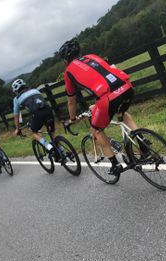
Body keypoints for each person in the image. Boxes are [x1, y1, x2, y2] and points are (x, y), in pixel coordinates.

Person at [59, 38, 143, 175]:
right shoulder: (91, 56)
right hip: (126, 86)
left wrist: (72, 118)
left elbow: (71, 101)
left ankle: (115, 165)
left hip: (107, 98)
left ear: (65, 60)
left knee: (96, 130)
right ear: (79, 52)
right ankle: (143, 143)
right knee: (123, 114)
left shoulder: (68, 72)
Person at [12, 79, 54, 151]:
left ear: (16, 90)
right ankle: (60, 150)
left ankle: (48, 146)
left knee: (33, 131)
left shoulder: (16, 99)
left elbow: (16, 116)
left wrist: (17, 129)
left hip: (37, 113)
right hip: (48, 109)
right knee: (52, 131)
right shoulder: (35, 90)